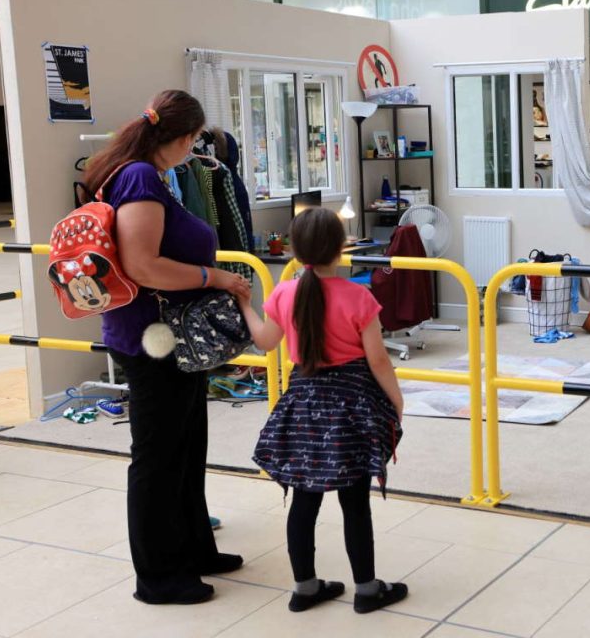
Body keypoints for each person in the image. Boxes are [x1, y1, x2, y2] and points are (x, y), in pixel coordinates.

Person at [82, 90, 252, 605]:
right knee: (157, 456)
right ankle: (157, 577)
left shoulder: (145, 174)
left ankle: (194, 547)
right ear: (182, 137)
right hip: (150, 337)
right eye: (195, 140)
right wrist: (215, 276)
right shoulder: (137, 177)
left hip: (171, 334)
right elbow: (143, 265)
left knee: (187, 443)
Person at [236, 207, 408, 614]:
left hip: (303, 404)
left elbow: (264, 342)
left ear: (297, 250)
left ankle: (306, 587)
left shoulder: (284, 293)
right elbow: (379, 361)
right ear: (341, 248)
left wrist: (246, 303)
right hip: (351, 406)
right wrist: (397, 401)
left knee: (304, 500)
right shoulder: (358, 297)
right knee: (354, 503)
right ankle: (367, 590)